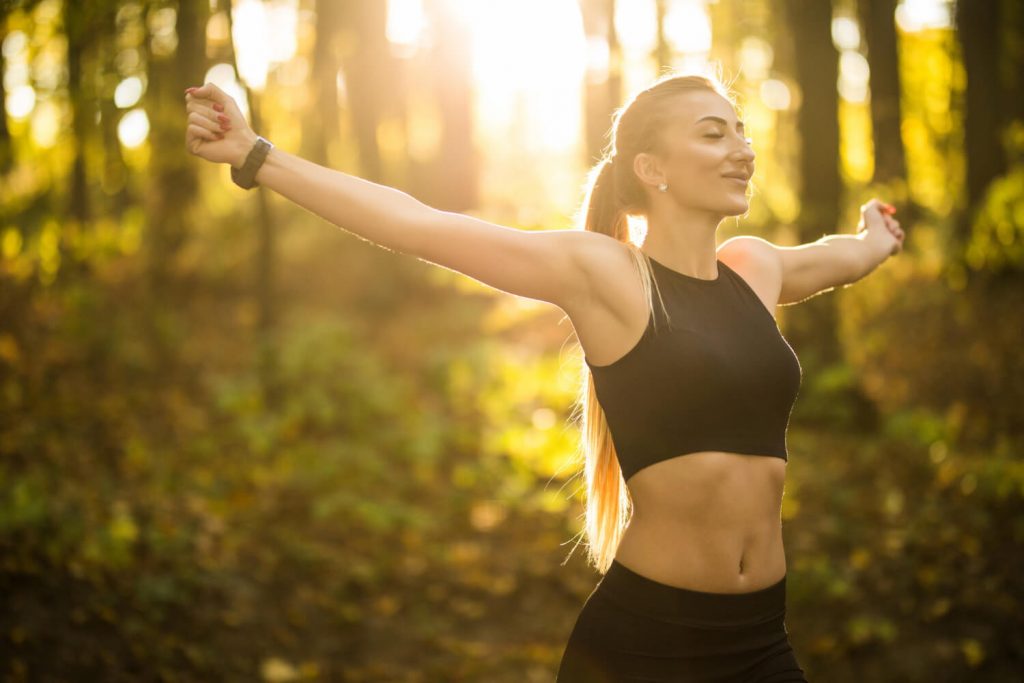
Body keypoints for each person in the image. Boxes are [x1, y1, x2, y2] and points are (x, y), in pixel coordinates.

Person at [184, 71, 904, 682]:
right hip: (648, 642)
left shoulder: (756, 270)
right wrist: (255, 155)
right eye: (714, 133)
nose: (742, 149)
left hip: (762, 639)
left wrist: (876, 237)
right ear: (650, 168)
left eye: (742, 131)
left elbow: (839, 256)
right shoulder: (607, 274)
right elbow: (419, 224)